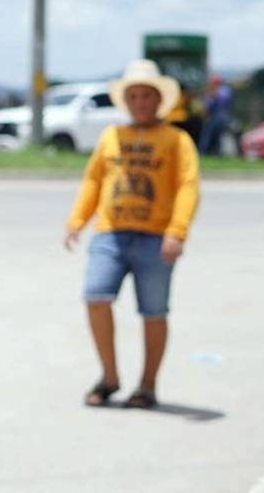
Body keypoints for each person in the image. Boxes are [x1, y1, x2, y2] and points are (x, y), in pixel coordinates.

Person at [64, 59, 200, 409]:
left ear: (160, 100)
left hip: (155, 237)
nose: (140, 102)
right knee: (96, 296)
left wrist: (177, 231)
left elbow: (188, 186)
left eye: (147, 96)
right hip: (111, 233)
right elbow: (94, 179)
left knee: (153, 311)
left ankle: (147, 385)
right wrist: (78, 219)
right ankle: (109, 377)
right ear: (127, 101)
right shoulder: (112, 136)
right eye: (134, 96)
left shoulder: (176, 139)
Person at [198, 74, 232, 156]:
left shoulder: (224, 90)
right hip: (213, 115)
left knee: (213, 135)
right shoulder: (211, 92)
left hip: (221, 115)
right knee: (209, 135)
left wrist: (212, 94)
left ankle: (206, 152)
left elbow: (224, 100)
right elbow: (206, 106)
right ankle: (206, 152)